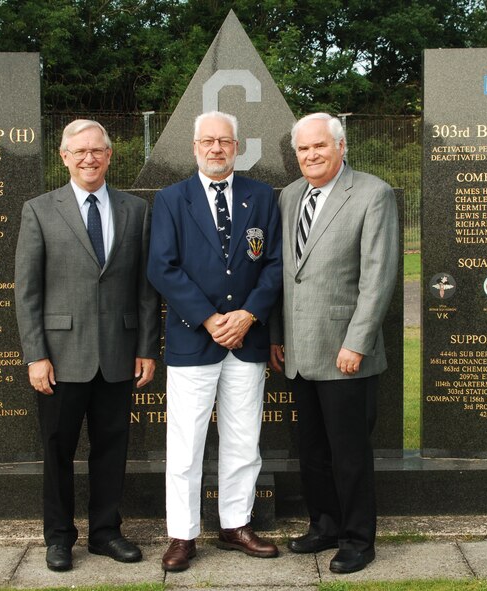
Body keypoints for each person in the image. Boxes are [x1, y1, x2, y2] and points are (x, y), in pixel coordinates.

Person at [14, 119, 159, 572]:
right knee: (57, 451)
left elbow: (145, 289)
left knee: (112, 448)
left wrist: (147, 348)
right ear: (64, 157)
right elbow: (28, 291)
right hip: (59, 359)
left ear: (110, 156)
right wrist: (35, 354)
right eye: (79, 152)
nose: (89, 158)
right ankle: (59, 538)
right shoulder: (39, 210)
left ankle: (105, 533)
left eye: (97, 151)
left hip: (118, 355)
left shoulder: (135, 211)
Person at [147, 111, 283, 572]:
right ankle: (183, 535)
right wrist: (209, 319)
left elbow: (275, 264)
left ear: (237, 146)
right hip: (193, 340)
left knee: (244, 438)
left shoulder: (262, 197)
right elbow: (162, 267)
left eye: (224, 141)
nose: (216, 148)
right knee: (185, 445)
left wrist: (247, 315)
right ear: (194, 148)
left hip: (246, 338)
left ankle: (235, 524)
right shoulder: (170, 199)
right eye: (207, 141)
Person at [269, 113, 398, 574]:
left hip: (347, 353)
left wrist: (357, 342)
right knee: (314, 451)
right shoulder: (288, 196)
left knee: (350, 454)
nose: (310, 156)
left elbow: (378, 278)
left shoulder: (372, 194)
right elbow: (286, 275)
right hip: (300, 353)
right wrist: (279, 336)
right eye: (303, 149)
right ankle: (323, 525)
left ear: (341, 146)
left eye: (319, 146)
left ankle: (358, 539)